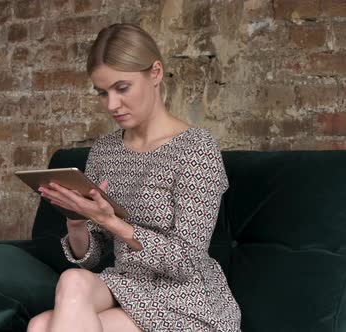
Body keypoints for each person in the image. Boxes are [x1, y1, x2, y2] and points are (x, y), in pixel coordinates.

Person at [27, 23, 242, 332]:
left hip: (186, 297)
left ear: (155, 73)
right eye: (103, 93)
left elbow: (186, 262)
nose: (112, 105)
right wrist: (76, 221)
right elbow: (91, 255)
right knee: (72, 279)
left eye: (122, 88)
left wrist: (112, 222)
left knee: (40, 326)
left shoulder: (197, 149)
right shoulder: (104, 151)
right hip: (126, 285)